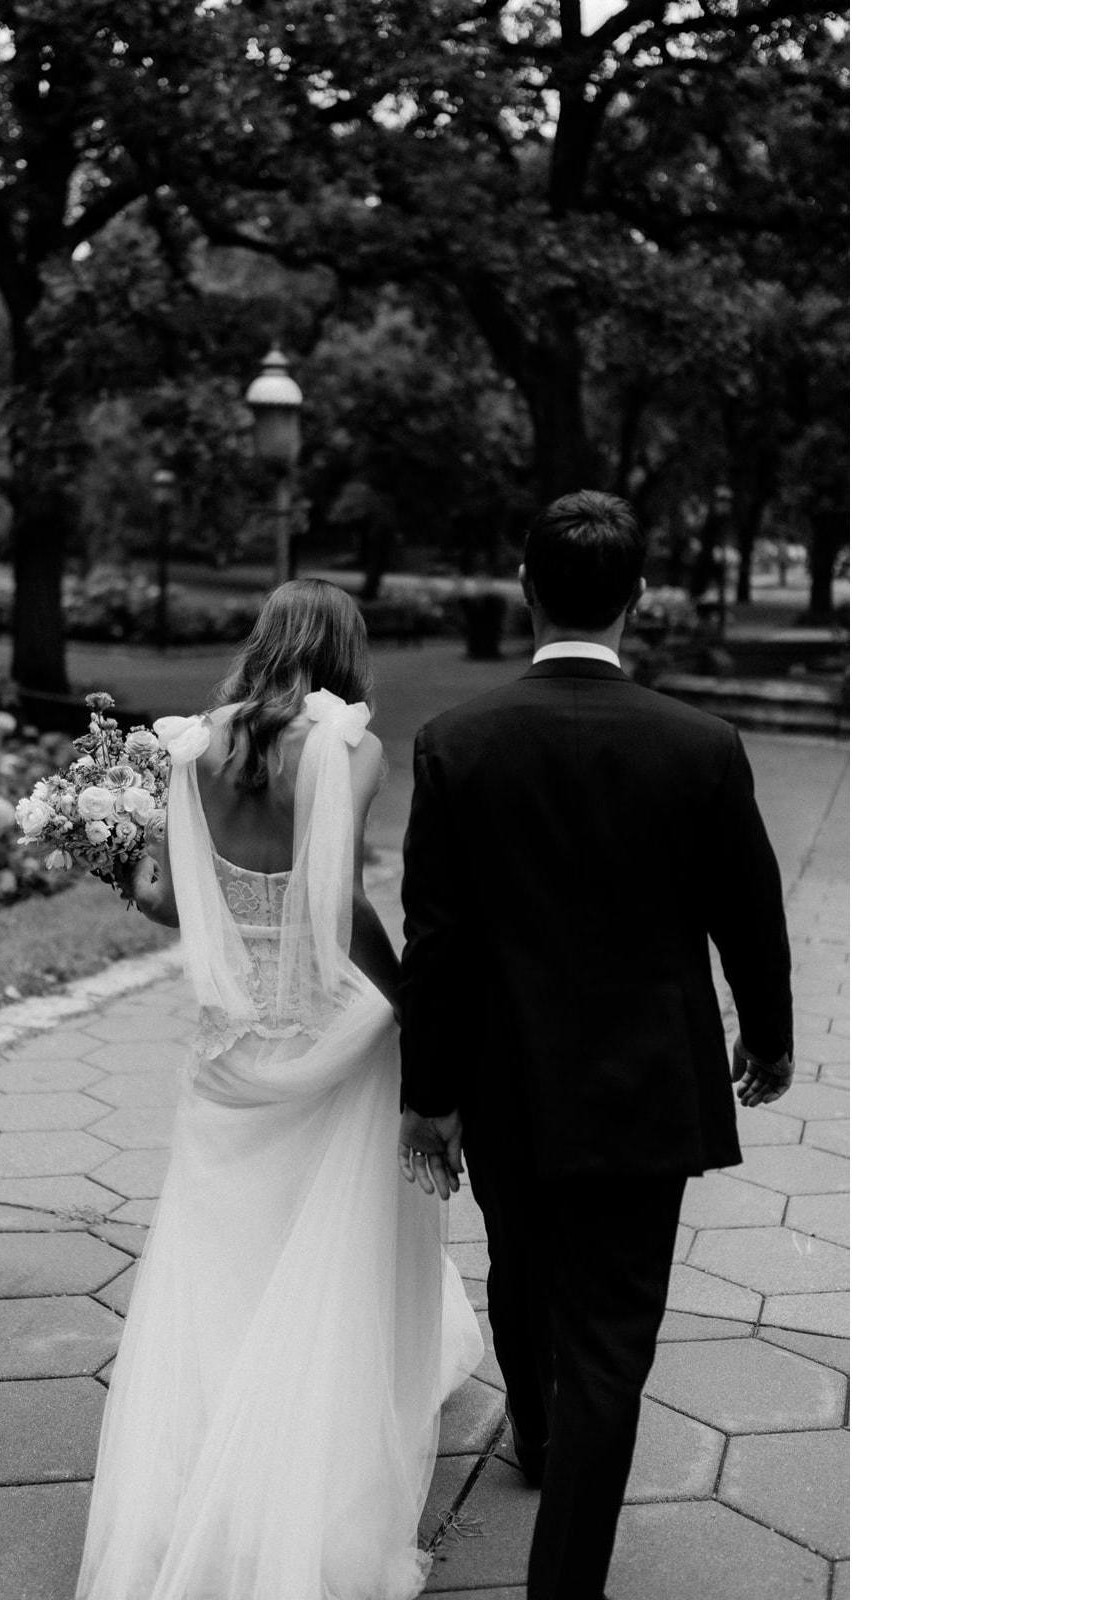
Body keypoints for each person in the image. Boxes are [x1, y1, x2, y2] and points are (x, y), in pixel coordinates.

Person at [396, 490, 795, 1600]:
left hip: (506, 1082)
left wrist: (430, 1095)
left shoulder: (456, 743)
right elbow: (751, 917)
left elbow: (436, 941)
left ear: (526, 588)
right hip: (645, 1090)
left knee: (520, 1268)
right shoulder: (702, 746)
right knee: (612, 1345)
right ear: (639, 599)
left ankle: (534, 1425)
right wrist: (768, 1040)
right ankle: (564, 1576)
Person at [77, 578, 483, 1600]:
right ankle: (315, 1475)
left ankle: (198, 1477)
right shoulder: (349, 749)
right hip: (326, 1039)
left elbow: (176, 905)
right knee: (339, 1253)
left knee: (220, 1259)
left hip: (228, 1048)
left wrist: (115, 861)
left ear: (262, 641)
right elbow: (337, 907)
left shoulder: (187, 749)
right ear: (346, 652)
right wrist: (407, 1003)